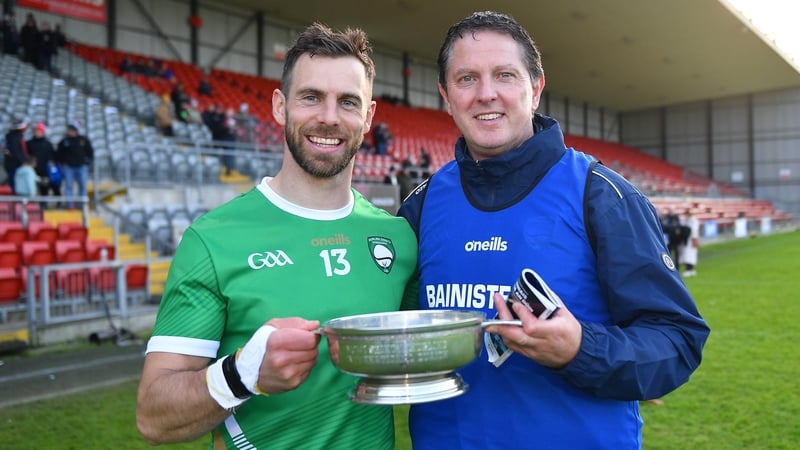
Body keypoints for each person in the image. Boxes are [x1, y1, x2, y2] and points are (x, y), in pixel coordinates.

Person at [397, 11, 709, 449]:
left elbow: (677, 342)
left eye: (504, 75)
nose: (486, 94)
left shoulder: (601, 196)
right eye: (467, 79)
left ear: (536, 87)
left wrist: (580, 348)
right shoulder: (422, 204)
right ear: (446, 96)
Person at [136, 23, 418, 450]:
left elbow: (415, 362)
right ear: (280, 106)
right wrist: (242, 374)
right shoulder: (214, 240)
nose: (328, 117)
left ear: (369, 116)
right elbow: (154, 416)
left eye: (347, 101)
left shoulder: (396, 238)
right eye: (311, 97)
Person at [55, 122, 93, 209]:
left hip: (81, 166)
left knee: (82, 186)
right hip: (69, 167)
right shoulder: (64, 141)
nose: (70, 132)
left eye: (72, 130)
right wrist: (62, 162)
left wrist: (88, 161)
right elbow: (59, 153)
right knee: (68, 186)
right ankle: (70, 205)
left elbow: (90, 151)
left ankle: (82, 205)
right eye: (69, 130)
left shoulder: (83, 140)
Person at [26, 122, 61, 208]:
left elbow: (52, 157)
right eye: (36, 131)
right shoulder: (29, 143)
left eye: (39, 131)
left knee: (45, 187)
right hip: (33, 170)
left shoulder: (47, 144)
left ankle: (45, 205)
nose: (37, 133)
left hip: (45, 170)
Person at [3, 116, 28, 192]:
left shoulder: (16, 136)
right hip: (14, 164)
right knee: (15, 184)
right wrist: (23, 161)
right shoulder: (14, 137)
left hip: (16, 163)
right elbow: (15, 151)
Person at [679, 208, 700, 277]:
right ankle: (689, 269)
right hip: (686, 240)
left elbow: (694, 230)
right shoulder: (685, 220)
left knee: (690, 255)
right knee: (687, 255)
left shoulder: (693, 221)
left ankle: (690, 269)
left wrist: (694, 239)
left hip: (691, 240)